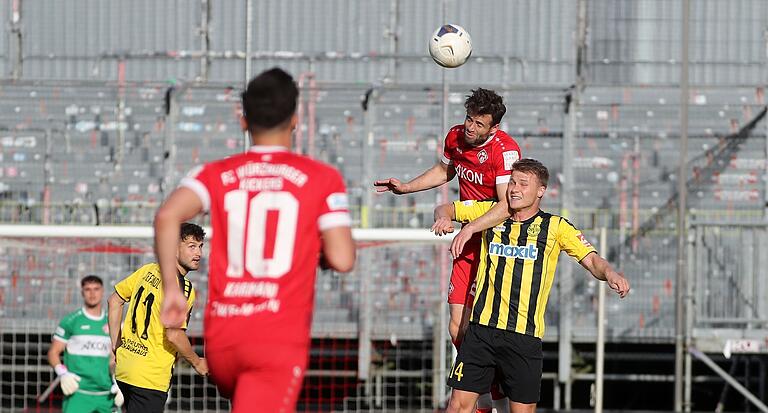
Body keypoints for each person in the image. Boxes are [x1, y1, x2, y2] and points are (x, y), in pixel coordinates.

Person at [156, 67, 356, 413]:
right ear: (295, 119)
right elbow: (343, 258)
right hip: (275, 338)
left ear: (244, 120)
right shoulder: (321, 178)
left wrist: (172, 290)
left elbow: (166, 216)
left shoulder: (215, 173)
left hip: (223, 340)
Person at [432, 158, 630, 413]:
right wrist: (445, 220)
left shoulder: (556, 227)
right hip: (481, 331)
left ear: (541, 191)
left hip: (523, 338)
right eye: (512, 182)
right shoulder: (491, 213)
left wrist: (610, 273)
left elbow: (591, 259)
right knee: (457, 407)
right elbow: (445, 208)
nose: (514, 188)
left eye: (523, 184)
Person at [375, 88, 521, 412]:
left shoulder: (505, 151)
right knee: (457, 325)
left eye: (478, 124)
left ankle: (492, 395)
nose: (470, 128)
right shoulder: (455, 136)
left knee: (486, 327)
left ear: (493, 128)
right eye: (469, 119)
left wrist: (467, 224)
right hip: (467, 240)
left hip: (495, 242)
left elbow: (505, 205)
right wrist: (407, 187)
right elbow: (444, 171)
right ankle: (486, 393)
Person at [107, 223, 209, 413]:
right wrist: (197, 362)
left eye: (201, 246)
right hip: (149, 377)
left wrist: (116, 344)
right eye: (191, 246)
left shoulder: (148, 270)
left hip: (126, 368)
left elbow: (114, 301)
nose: (198, 253)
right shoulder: (182, 287)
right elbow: (173, 334)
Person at [48, 275, 123, 413]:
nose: (92, 293)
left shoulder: (113, 322)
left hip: (106, 395)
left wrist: (120, 383)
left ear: (102, 291)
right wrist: (63, 374)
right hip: (78, 393)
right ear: (82, 292)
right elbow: (53, 352)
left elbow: (115, 358)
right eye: (88, 289)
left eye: (96, 289)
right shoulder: (71, 321)